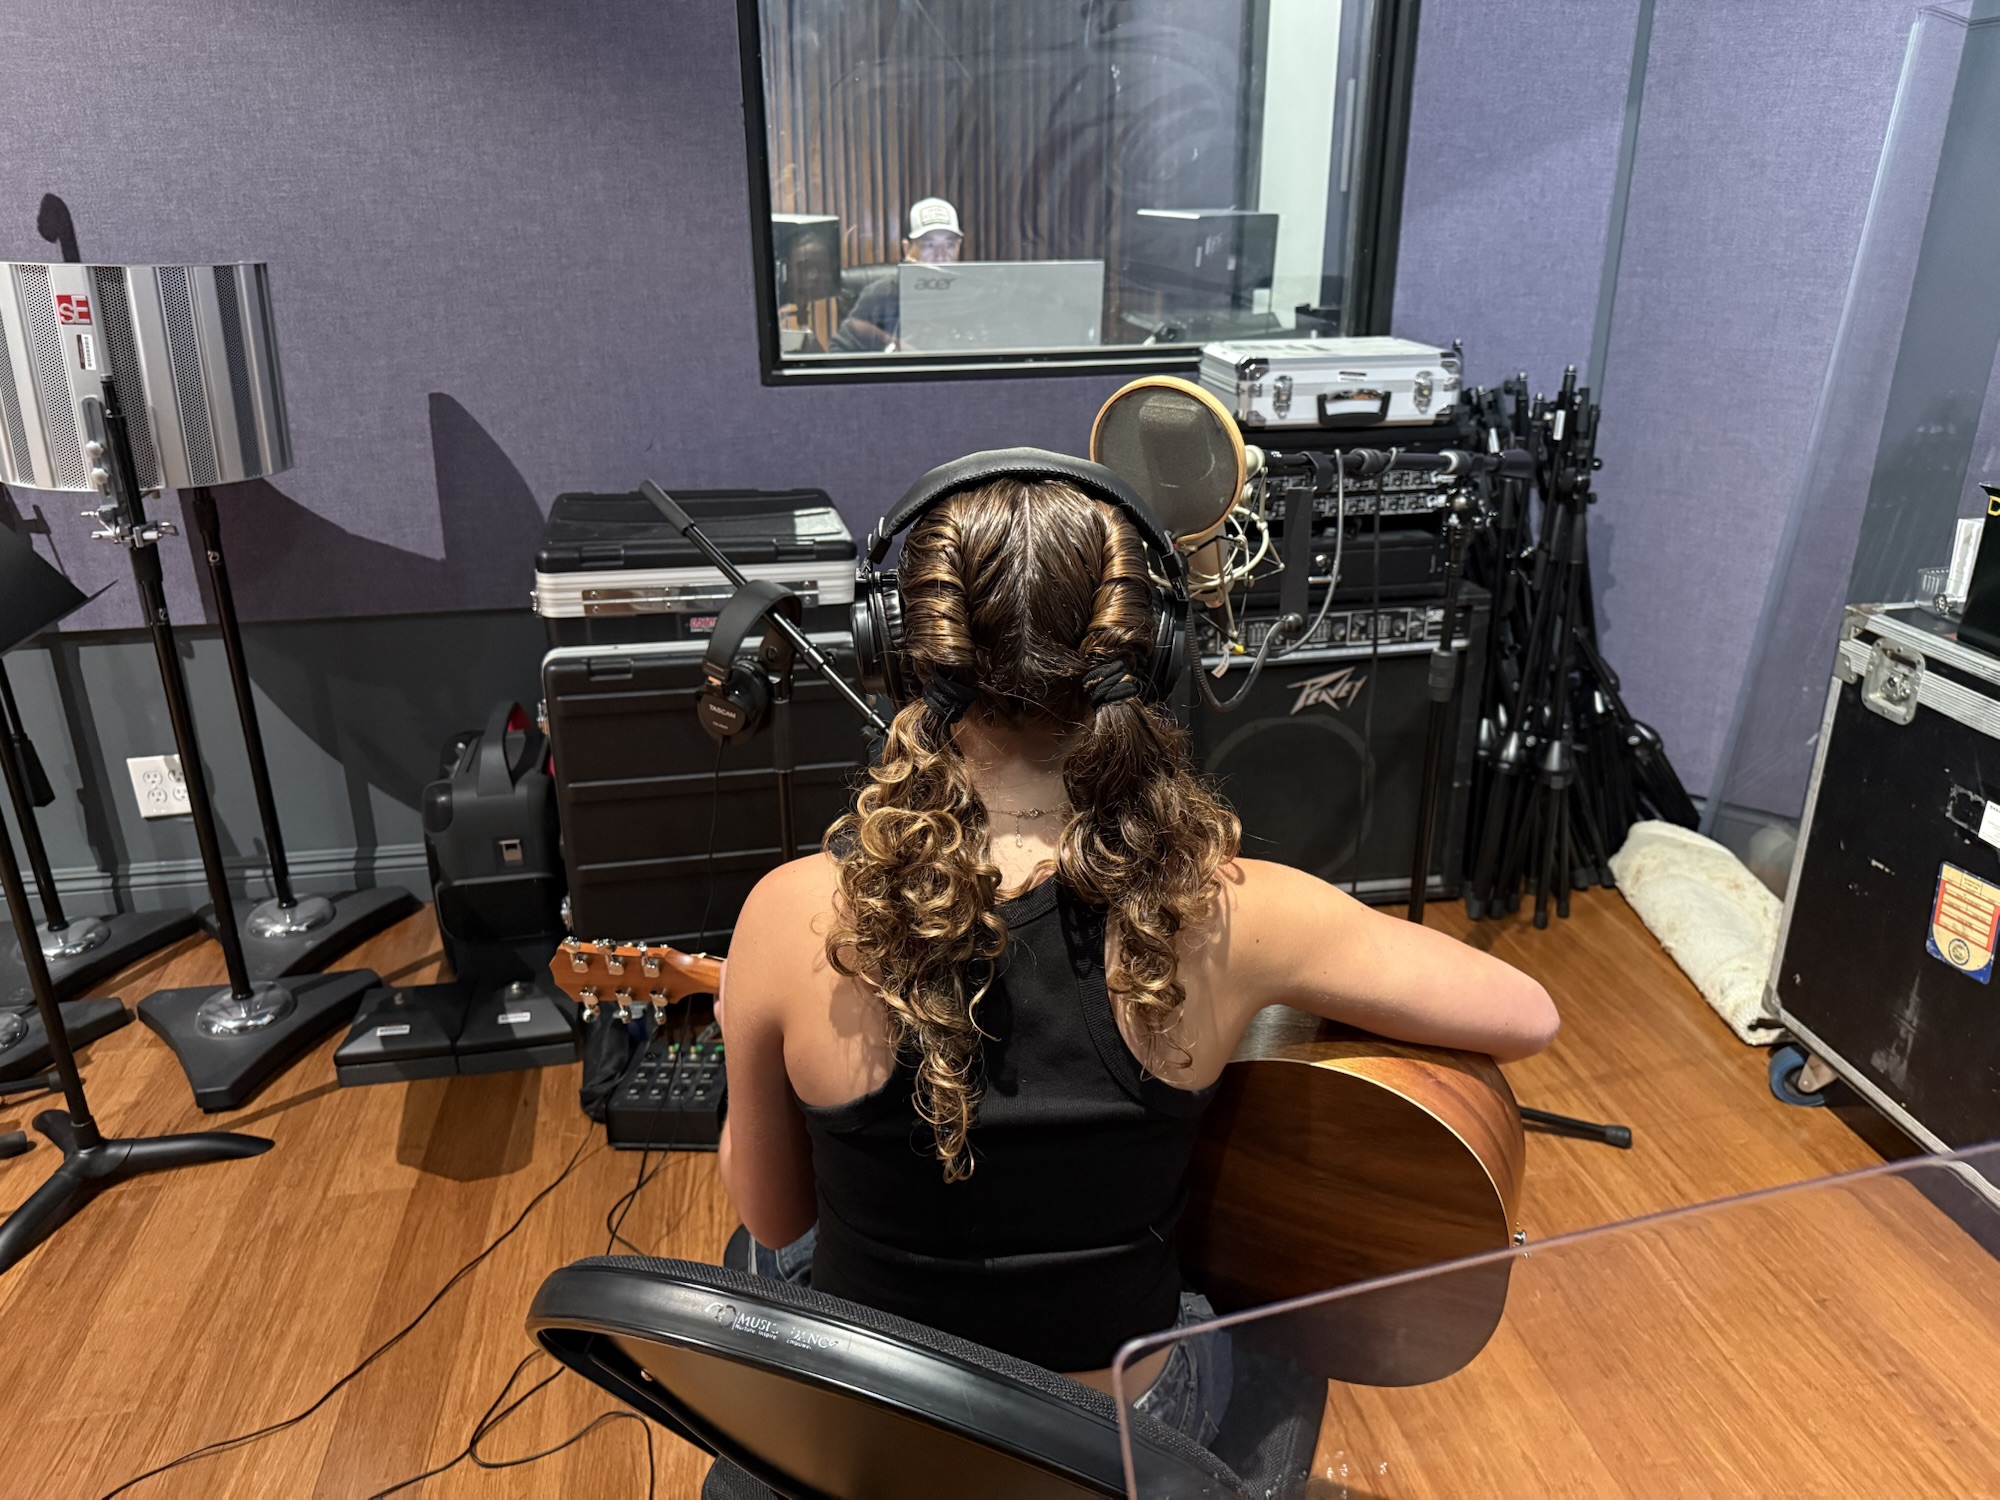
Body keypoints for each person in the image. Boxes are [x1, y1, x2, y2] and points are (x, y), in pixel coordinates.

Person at [716, 466, 1558, 1446]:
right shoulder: (1230, 909)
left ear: (896, 648)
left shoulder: (788, 915)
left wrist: (748, 1030)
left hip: (875, 1439)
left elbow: (774, 1219)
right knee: (1244, 1319)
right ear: (1151, 647)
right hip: (1113, 1443)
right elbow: (1526, 1016)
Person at [827, 196, 963, 353]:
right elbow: (839, 352)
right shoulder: (881, 295)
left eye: (949, 245)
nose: (941, 256)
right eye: (929, 245)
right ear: (907, 249)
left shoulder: (974, 295)